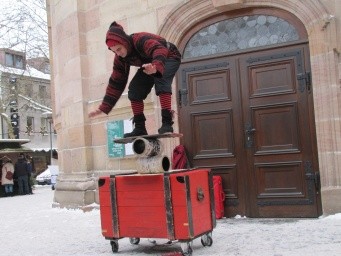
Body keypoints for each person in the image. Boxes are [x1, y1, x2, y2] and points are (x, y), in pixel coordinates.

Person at [88, 21, 181, 137]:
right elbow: (116, 82)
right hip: (150, 64)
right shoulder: (120, 58)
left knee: (161, 80)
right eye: (114, 51)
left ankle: (167, 123)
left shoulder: (139, 39)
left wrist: (156, 67)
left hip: (169, 56)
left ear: (124, 42)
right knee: (134, 90)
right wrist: (104, 106)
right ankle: (140, 128)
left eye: (119, 49)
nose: (118, 53)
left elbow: (159, 49)